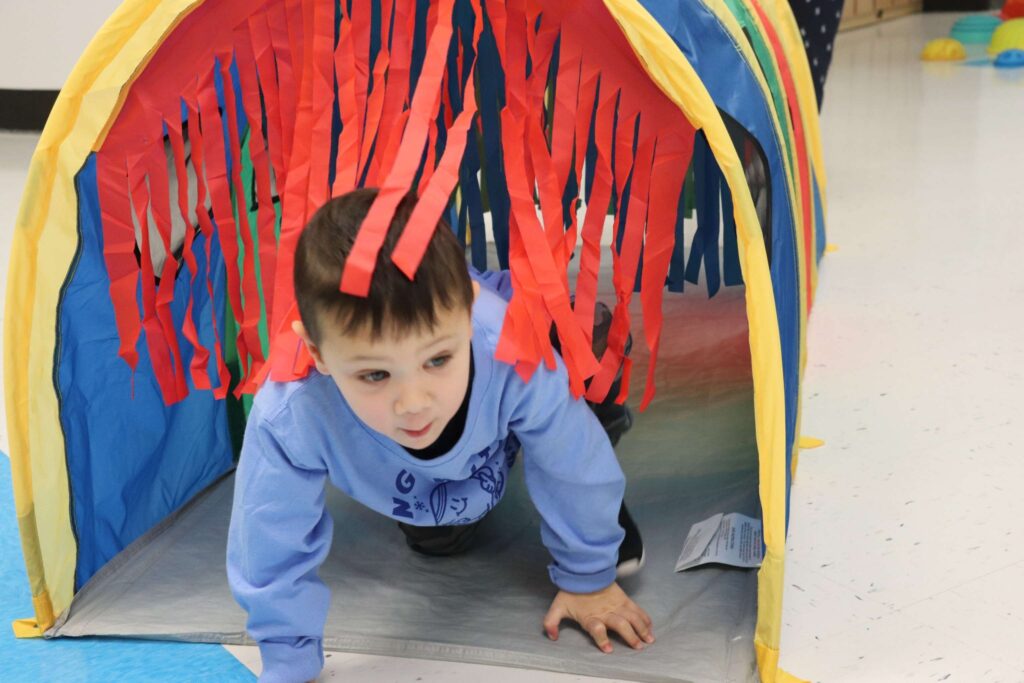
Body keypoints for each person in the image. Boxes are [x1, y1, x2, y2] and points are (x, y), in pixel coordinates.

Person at [227, 188, 654, 683]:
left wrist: (588, 575)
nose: (413, 402)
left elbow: (573, 459)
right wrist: (287, 659)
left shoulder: (509, 344)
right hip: (442, 459)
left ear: (469, 314)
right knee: (440, 539)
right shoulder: (292, 410)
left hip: (520, 368)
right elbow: (268, 533)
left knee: (573, 355)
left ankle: (600, 415)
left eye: (436, 360)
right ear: (318, 353)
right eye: (375, 375)